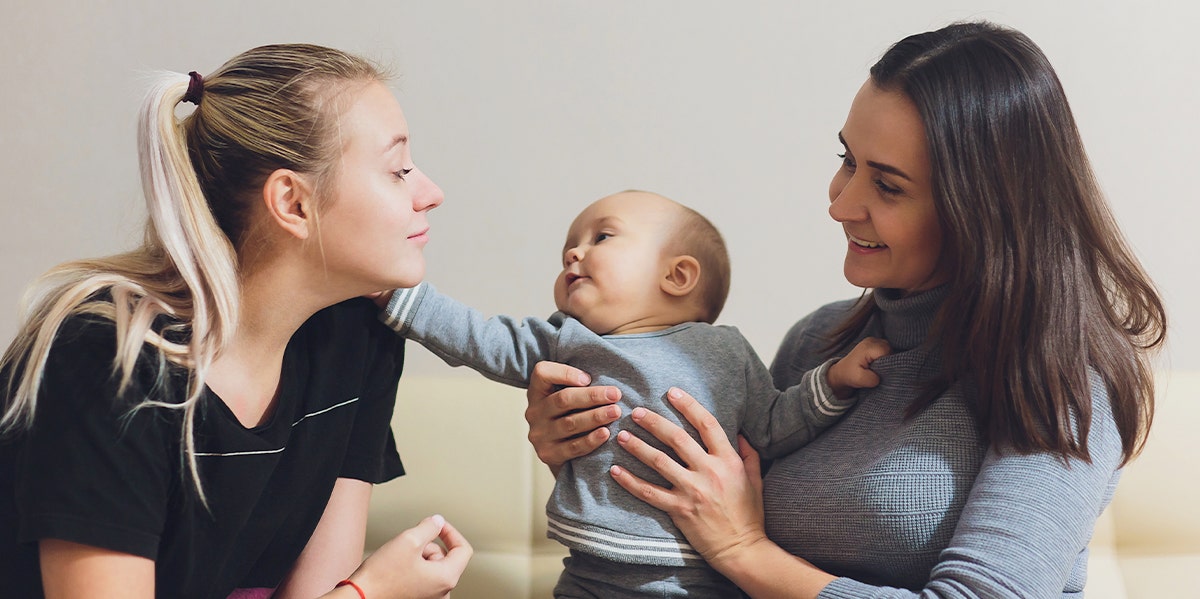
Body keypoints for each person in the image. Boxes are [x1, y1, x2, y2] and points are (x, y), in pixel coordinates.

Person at [523, 21, 1167, 598]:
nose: (840, 203)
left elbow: (733, 539)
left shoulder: (1062, 383)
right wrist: (590, 444)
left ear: (982, 209)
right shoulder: (819, 345)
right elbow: (700, 515)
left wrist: (748, 553)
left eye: (886, 185)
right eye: (847, 161)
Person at [0, 44, 472, 598]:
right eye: (399, 170)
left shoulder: (358, 341)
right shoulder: (107, 358)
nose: (431, 194)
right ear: (293, 203)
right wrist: (370, 595)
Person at [379, 189, 889, 597]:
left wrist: (835, 381)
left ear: (678, 275)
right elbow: (479, 337)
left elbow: (775, 424)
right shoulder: (566, 341)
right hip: (590, 570)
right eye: (568, 249)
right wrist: (393, 290)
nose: (574, 252)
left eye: (602, 237)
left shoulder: (727, 352)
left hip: (703, 576)